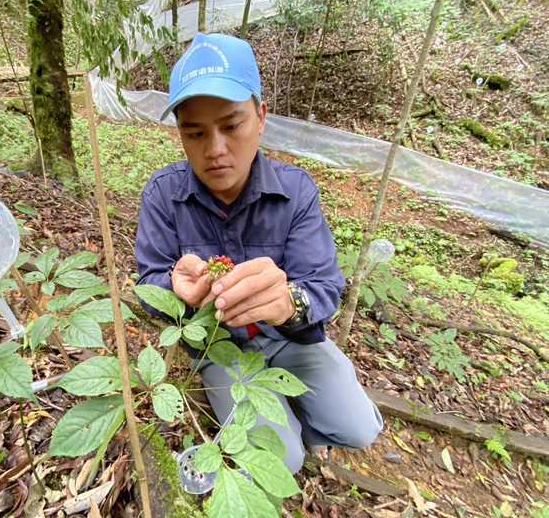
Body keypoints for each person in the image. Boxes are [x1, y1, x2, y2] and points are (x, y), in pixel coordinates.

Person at [134, 32, 383, 474]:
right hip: (220, 347)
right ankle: (287, 433)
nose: (215, 150)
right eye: (195, 133)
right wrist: (175, 289)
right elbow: (148, 282)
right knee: (283, 459)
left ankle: (304, 422)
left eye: (232, 125)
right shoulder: (163, 194)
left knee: (360, 428)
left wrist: (289, 302)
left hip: (291, 339)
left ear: (261, 116)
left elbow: (325, 286)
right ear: (180, 133)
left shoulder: (296, 192)